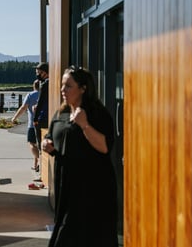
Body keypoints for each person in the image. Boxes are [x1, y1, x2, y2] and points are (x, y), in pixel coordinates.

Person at [41, 66, 117, 247]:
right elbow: (51, 136)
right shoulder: (61, 113)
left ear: (83, 88)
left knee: (79, 236)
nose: (62, 90)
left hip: (92, 188)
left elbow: (105, 147)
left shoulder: (97, 114)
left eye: (68, 86)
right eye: (62, 85)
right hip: (67, 186)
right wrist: (46, 144)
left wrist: (85, 125)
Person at [11, 80, 41, 174]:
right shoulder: (45, 94)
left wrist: (14, 118)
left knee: (32, 144)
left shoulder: (30, 95)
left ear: (33, 86)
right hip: (44, 123)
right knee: (39, 145)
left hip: (32, 124)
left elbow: (23, 108)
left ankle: (41, 160)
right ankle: (36, 165)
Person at [32, 62, 50, 165]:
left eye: (38, 72)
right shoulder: (52, 83)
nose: (37, 74)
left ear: (44, 72)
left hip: (42, 118)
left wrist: (35, 118)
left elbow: (41, 102)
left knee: (41, 145)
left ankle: (43, 172)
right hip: (49, 117)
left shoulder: (45, 84)